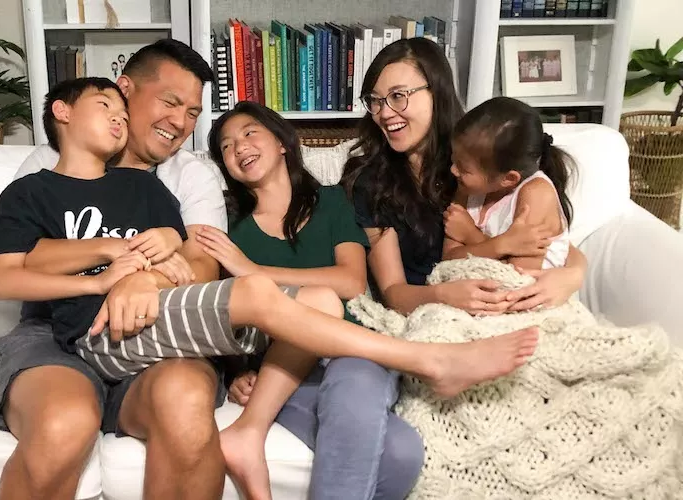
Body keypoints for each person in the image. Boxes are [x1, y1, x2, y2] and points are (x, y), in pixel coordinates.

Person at [198, 101, 541, 500]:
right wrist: (237, 370)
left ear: (281, 143)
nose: (238, 147)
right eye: (225, 146)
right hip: (284, 369)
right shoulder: (230, 229)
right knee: (400, 452)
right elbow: (223, 308)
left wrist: (252, 270)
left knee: (379, 417)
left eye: (249, 133)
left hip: (355, 347)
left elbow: (350, 281)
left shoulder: (330, 201)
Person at [0, 39, 234, 500]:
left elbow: (202, 263)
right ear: (125, 91)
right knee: (64, 423)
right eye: (171, 102)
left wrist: (144, 278)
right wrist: (110, 258)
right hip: (50, 331)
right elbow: (3, 259)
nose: (180, 123)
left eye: (194, 113)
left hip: (156, 331)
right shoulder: (51, 161)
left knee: (185, 404)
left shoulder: (190, 176)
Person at [341, 37, 587, 319]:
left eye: (398, 96)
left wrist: (572, 276)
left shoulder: (481, 158)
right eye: (375, 100)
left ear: (438, 92)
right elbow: (394, 293)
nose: (384, 113)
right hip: (429, 313)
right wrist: (444, 296)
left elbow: (547, 241)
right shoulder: (371, 182)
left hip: (507, 304)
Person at [443, 96, 575, 271]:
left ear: (509, 179)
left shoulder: (536, 194)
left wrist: (471, 235)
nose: (453, 170)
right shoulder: (467, 188)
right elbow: (448, 261)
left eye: (464, 168)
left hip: (534, 294)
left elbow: (517, 276)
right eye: (454, 159)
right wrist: (503, 246)